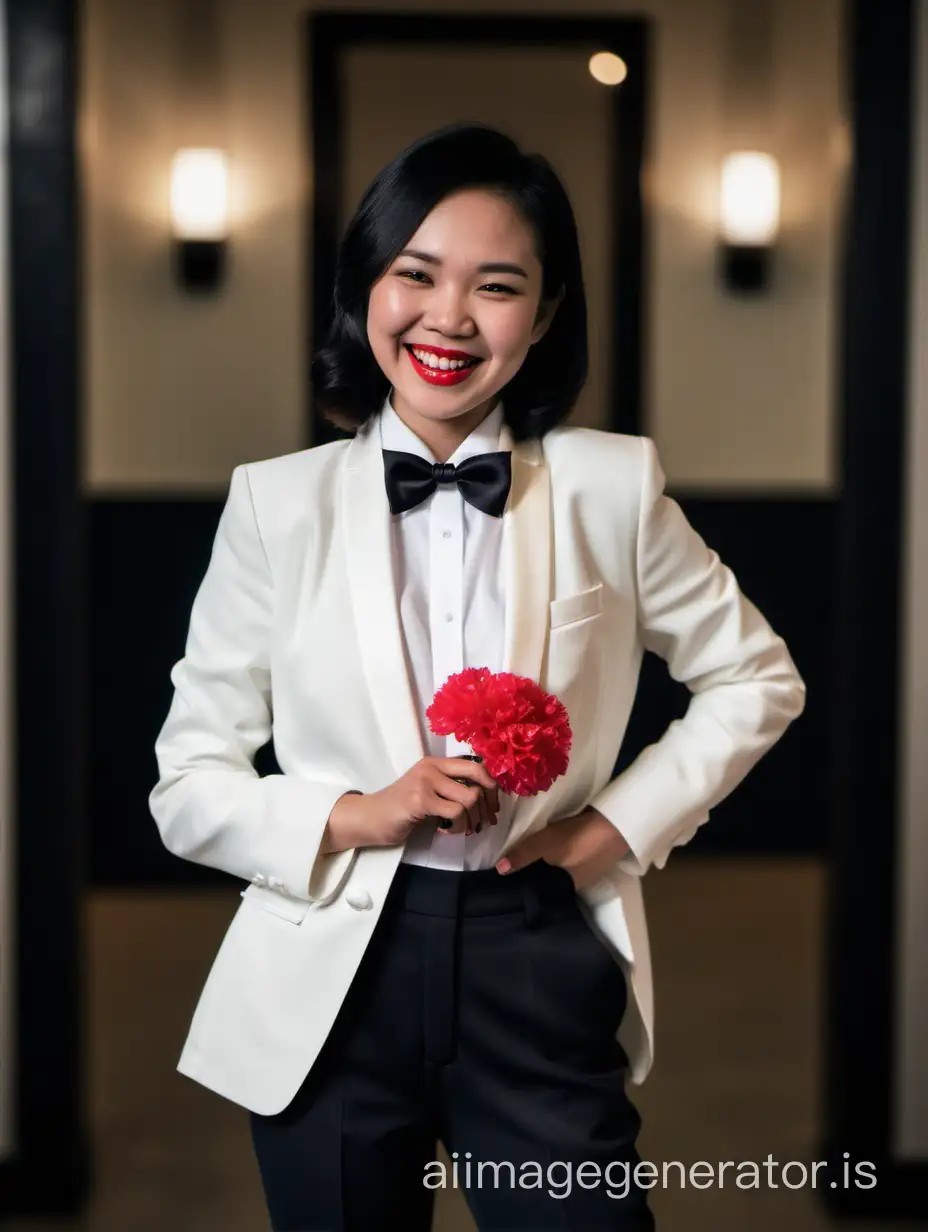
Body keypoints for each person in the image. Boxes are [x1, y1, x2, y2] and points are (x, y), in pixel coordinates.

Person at [148, 121, 807, 1231]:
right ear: (366, 286)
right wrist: (357, 811)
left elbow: (755, 677)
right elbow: (187, 783)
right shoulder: (275, 502)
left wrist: (607, 830)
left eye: (496, 285)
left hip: (533, 942)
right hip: (332, 967)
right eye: (415, 274)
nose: (448, 317)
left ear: (544, 314)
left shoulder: (611, 483)